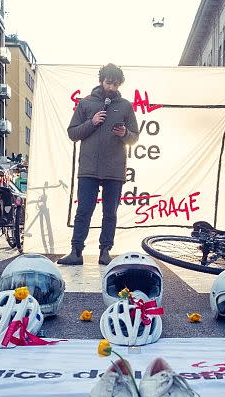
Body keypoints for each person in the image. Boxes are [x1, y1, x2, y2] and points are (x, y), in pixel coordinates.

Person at [58, 63, 139, 266]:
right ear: (101, 81)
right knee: (84, 211)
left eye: (115, 84)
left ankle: (105, 251)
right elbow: (72, 133)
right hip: (89, 169)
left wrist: (124, 134)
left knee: (110, 212)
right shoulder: (86, 103)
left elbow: (134, 137)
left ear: (120, 84)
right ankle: (76, 252)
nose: (111, 87)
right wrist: (92, 122)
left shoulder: (126, 106)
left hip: (114, 169)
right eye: (108, 82)